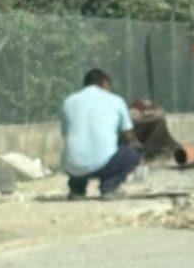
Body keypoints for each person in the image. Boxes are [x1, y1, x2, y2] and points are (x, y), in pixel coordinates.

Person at [60, 69, 141, 200]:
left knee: (75, 151)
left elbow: (66, 134)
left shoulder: (68, 101)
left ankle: (77, 189)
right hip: (102, 165)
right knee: (131, 155)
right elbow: (129, 137)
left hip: (72, 165)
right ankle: (109, 188)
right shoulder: (116, 100)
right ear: (105, 83)